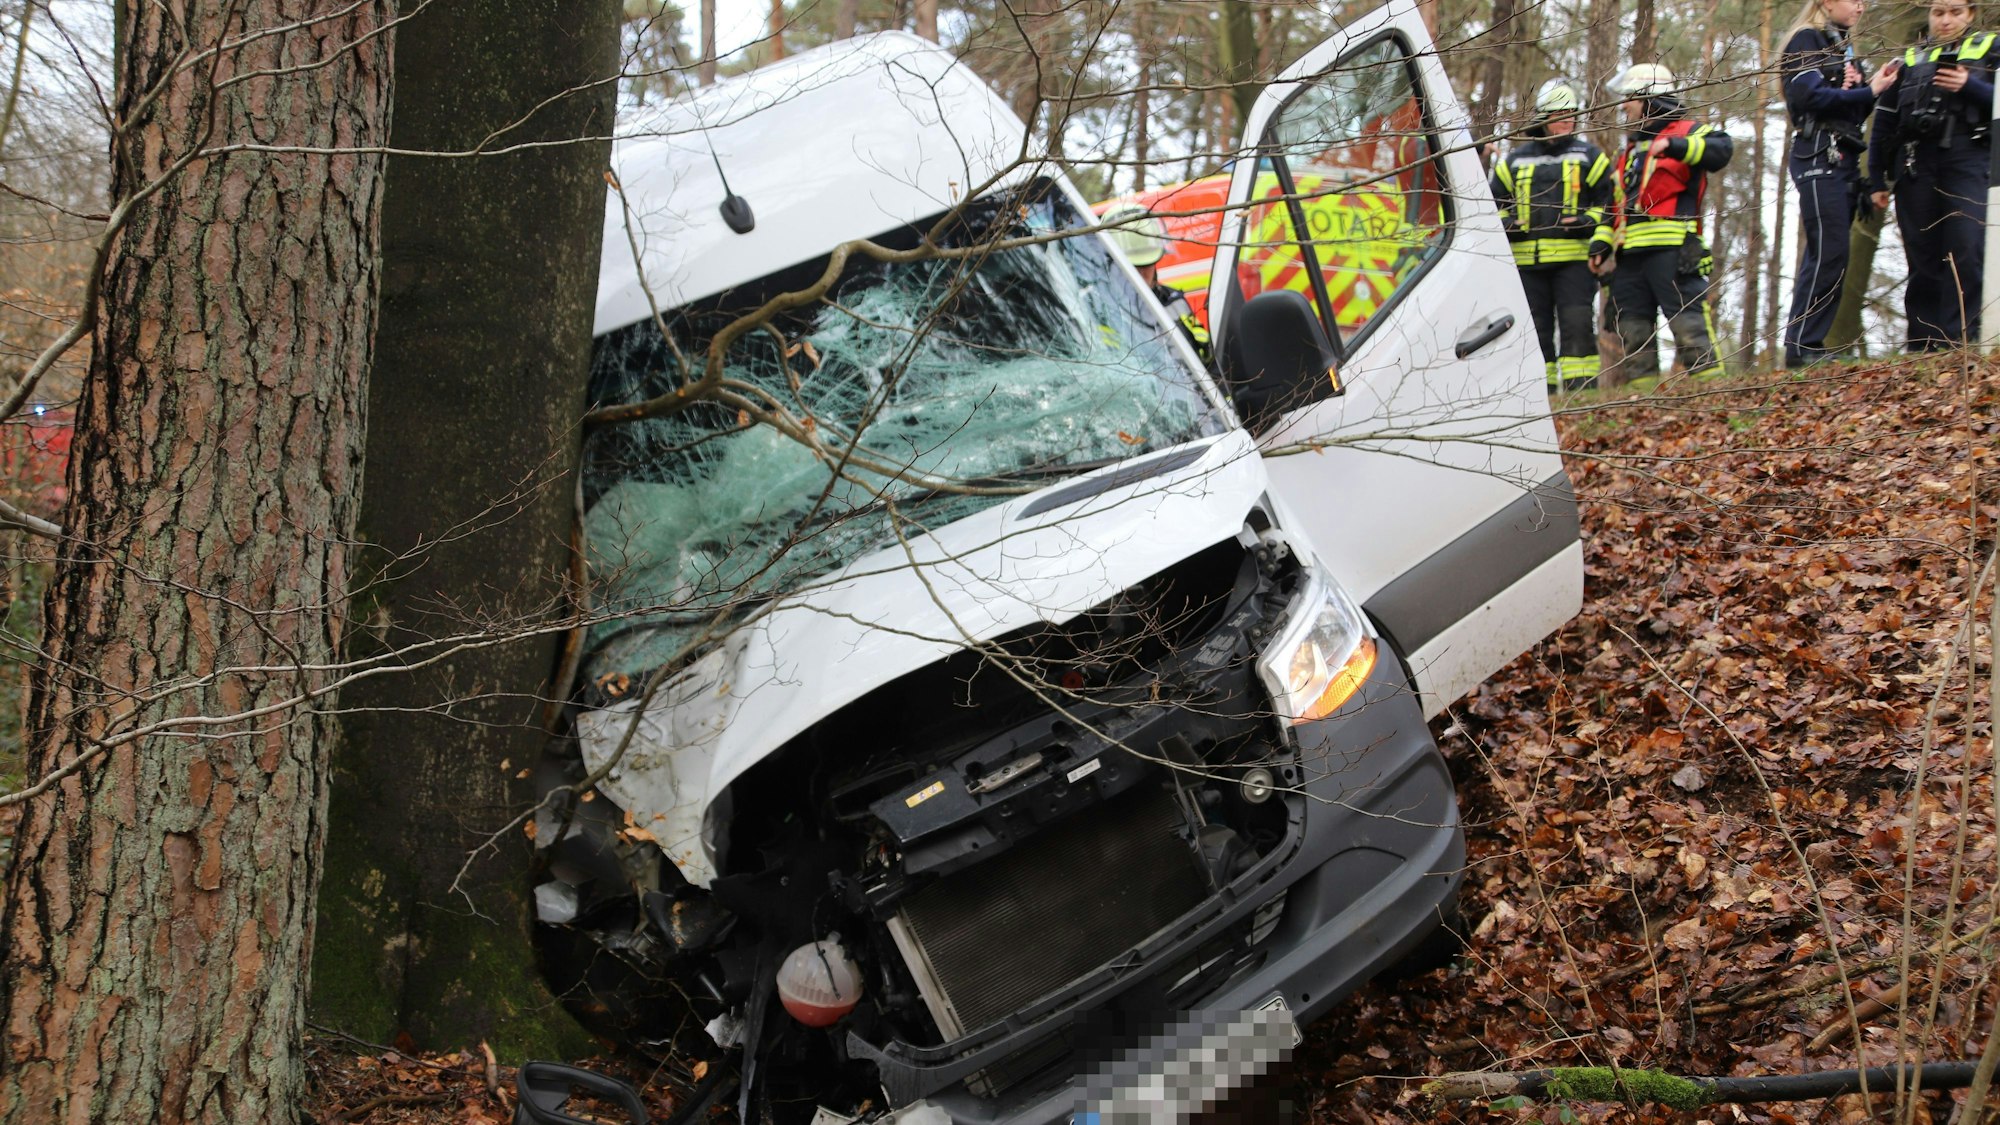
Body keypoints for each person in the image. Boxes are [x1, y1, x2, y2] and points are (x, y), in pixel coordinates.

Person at [1867, 0, 1996, 350]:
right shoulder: (1909, 59)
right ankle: (1923, 345)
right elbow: (1885, 121)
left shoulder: (1990, 48)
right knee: (1922, 257)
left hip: (1968, 159)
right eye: (1938, 13)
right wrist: (1877, 179)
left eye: (1955, 12)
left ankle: (1961, 340)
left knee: (1966, 248)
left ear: (1970, 13)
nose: (1946, 20)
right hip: (1915, 165)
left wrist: (1970, 85)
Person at [1781, 0, 1902, 367]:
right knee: (1829, 251)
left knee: (1834, 254)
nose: (1861, 8)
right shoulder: (1807, 39)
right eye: (1855, 0)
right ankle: (1802, 347)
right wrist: (1867, 90)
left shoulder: (1841, 45)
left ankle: (1807, 344)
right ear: (1826, 2)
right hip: (1817, 155)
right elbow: (1807, 95)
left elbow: (1851, 108)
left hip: (1843, 157)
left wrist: (1867, 89)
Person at [1604, 63, 1735, 385]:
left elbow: (1722, 149)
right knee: (1633, 330)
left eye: (1630, 99)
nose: (1624, 106)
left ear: (1650, 98)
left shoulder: (1688, 131)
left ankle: (1713, 394)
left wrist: (1676, 146)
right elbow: (1614, 203)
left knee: (1688, 325)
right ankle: (1643, 404)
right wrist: (1602, 243)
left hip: (1674, 250)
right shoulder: (1630, 149)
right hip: (1630, 256)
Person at [1490, 77, 1616, 392]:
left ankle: (1581, 394)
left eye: (1571, 115)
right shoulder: (1515, 160)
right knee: (1534, 332)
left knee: (1577, 328)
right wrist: (1507, 225)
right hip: (1526, 265)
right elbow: (1492, 206)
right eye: (1560, 116)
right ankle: (1540, 397)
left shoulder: (1591, 156)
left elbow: (1611, 205)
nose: (1567, 121)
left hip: (1574, 262)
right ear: (1544, 119)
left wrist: (1593, 228)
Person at [1101, 203, 1213, 362]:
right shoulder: (1104, 310)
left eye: (1147, 264)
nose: (1142, 272)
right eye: (1133, 266)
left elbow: (1206, 353)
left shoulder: (1174, 300)